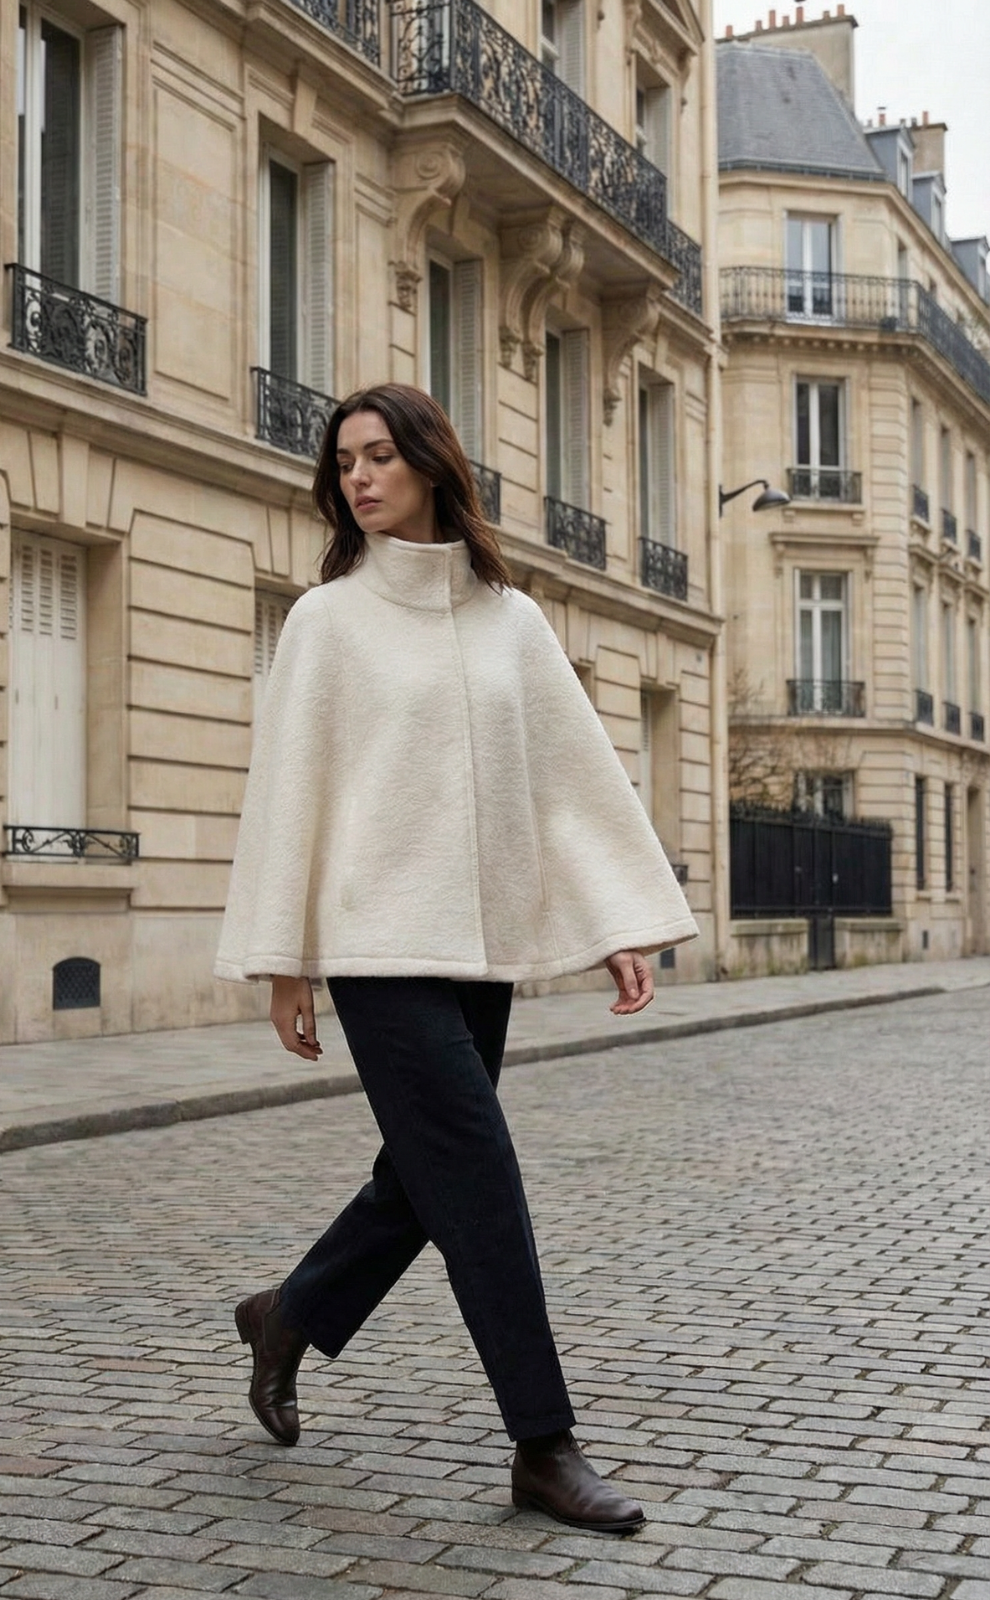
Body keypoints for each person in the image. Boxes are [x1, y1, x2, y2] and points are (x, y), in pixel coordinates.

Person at [215, 383, 697, 1533]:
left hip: (479, 952)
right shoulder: (325, 620)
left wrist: (616, 922)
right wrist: (288, 961)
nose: (361, 478)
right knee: (476, 1174)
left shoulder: (509, 620)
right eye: (345, 464)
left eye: (381, 456)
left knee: (423, 1177)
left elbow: (573, 783)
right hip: (377, 946)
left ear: (433, 462)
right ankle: (544, 1443)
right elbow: (289, 795)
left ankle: (290, 1311)